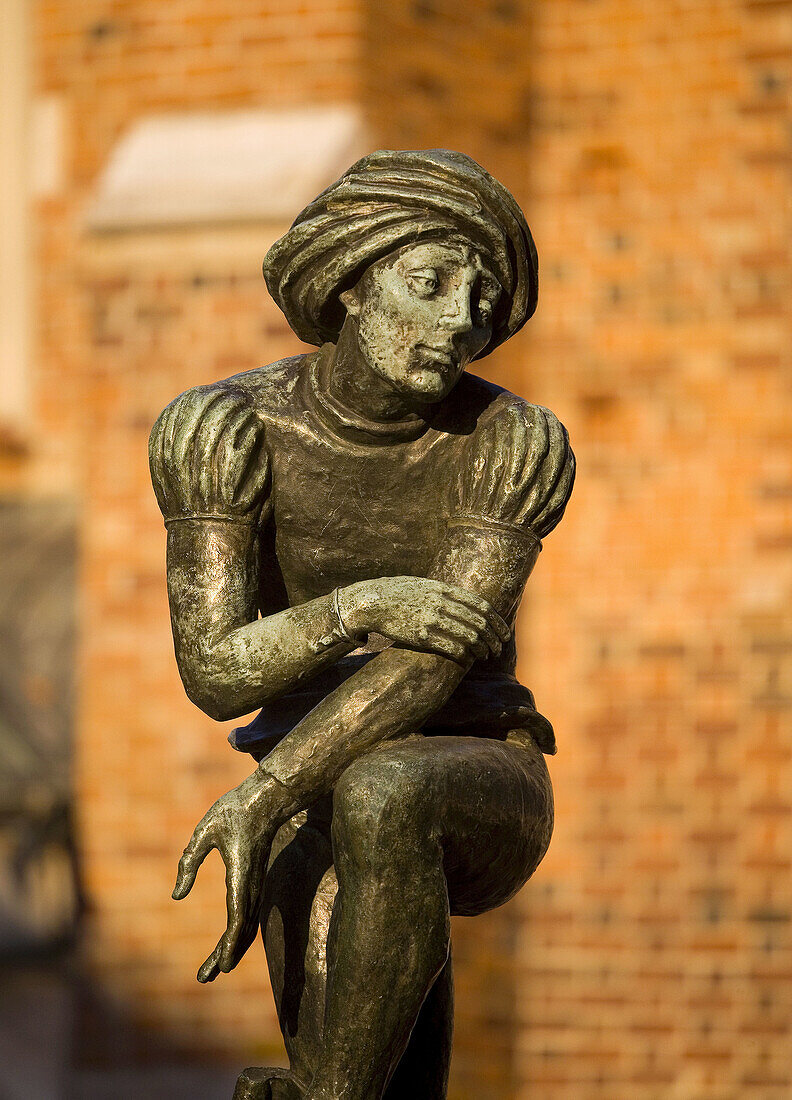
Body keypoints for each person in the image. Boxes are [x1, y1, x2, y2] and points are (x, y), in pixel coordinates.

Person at [149, 149, 575, 1100]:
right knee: (376, 1054)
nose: (457, 321)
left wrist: (265, 794)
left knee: (388, 793)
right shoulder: (224, 429)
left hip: (478, 775)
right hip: (309, 785)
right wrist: (361, 604)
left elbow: (432, 669)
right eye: (429, 284)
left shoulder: (512, 441)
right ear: (350, 282)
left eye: (480, 300)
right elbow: (216, 671)